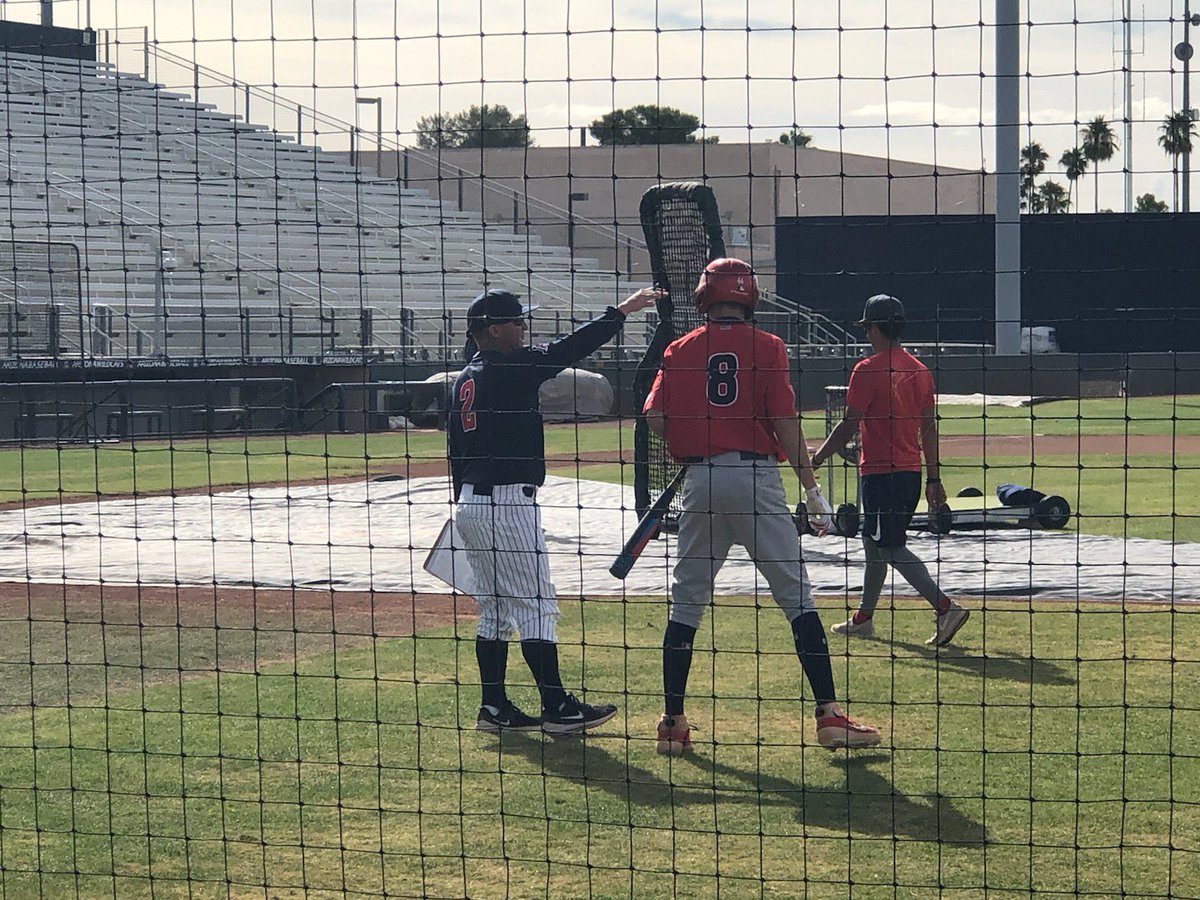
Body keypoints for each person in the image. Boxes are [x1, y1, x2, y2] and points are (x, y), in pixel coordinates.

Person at [642, 258, 882, 755]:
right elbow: (786, 422)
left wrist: (697, 442)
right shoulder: (768, 345)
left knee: (686, 601)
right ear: (749, 296)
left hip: (701, 481)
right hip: (753, 477)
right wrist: (812, 489)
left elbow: (657, 419)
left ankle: (673, 724)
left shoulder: (678, 348)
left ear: (704, 296)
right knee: (796, 596)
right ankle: (830, 716)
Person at [450, 286, 663, 734]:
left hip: (471, 502)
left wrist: (464, 504)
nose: (524, 329)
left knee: (494, 610)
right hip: (507, 503)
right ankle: (557, 707)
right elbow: (570, 347)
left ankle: (494, 708)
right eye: (517, 322)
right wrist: (620, 311)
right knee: (537, 606)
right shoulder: (509, 367)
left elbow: (455, 450)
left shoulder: (465, 377)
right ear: (493, 329)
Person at [812, 294, 969, 647]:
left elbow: (848, 426)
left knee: (890, 547)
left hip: (882, 476)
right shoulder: (920, 370)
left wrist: (818, 457)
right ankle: (863, 619)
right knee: (873, 544)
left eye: (867, 327)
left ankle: (946, 608)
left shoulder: (866, 370)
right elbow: (928, 428)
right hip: (910, 474)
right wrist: (933, 478)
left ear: (873, 328)